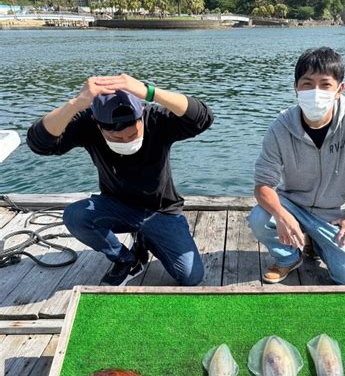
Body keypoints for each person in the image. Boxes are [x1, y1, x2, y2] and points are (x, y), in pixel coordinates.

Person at [27, 74, 213, 286]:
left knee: (191, 276)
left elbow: (203, 118)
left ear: (141, 116)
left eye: (133, 133)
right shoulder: (87, 123)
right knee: (75, 216)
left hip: (160, 211)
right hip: (115, 206)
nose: (126, 140)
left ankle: (145, 239)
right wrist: (76, 104)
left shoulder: (156, 119)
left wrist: (150, 92)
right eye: (117, 138)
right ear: (98, 125)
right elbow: (38, 143)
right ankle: (126, 259)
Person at [247, 47, 345, 285]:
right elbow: (262, 186)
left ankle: (315, 242)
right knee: (260, 218)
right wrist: (281, 216)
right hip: (294, 204)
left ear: (340, 89)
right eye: (307, 84)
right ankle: (288, 257)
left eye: (325, 85)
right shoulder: (280, 126)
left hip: (334, 211)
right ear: (296, 88)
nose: (315, 92)